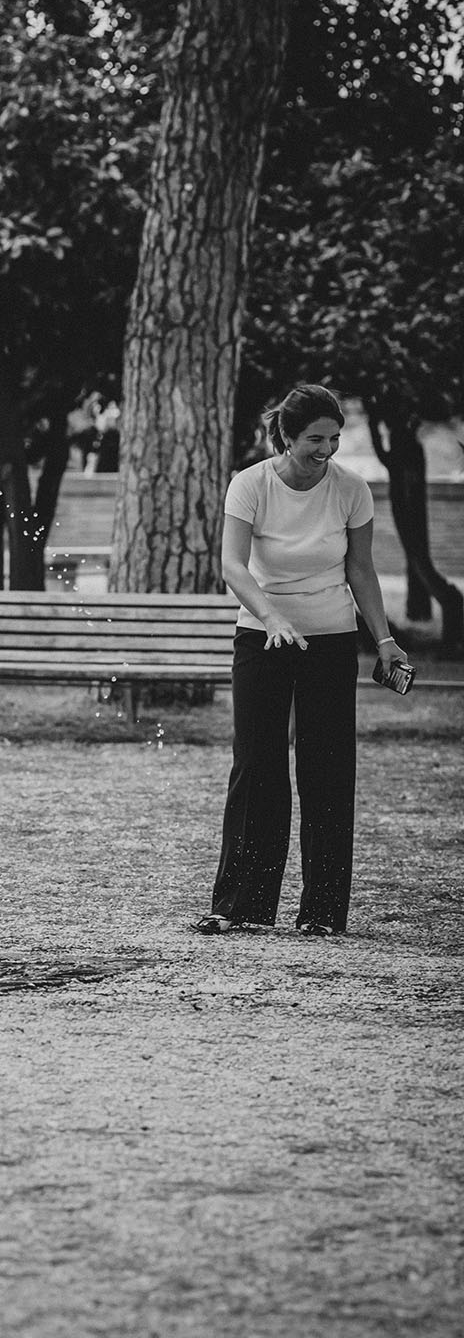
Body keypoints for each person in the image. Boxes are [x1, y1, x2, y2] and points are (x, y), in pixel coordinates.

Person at [189, 384, 409, 938]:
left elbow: (360, 569)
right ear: (286, 436)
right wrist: (271, 618)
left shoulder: (351, 490)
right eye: (315, 439)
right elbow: (233, 566)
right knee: (257, 765)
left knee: (328, 770)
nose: (327, 449)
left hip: (331, 641)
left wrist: (383, 640)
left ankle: (322, 913)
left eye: (334, 438)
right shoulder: (251, 485)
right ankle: (242, 905)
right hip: (261, 639)